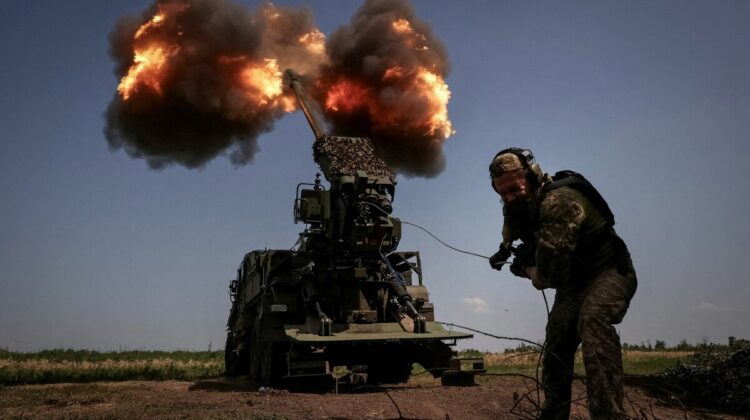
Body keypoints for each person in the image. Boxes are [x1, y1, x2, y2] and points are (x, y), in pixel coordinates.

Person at [488, 148, 637, 420]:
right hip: (573, 282)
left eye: (514, 190)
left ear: (531, 176)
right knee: (557, 340)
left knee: (592, 320)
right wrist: (505, 248)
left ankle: (609, 415)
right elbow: (510, 223)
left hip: (609, 271)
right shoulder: (518, 203)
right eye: (502, 193)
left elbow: (549, 277)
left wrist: (527, 269)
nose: (509, 197)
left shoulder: (558, 202)